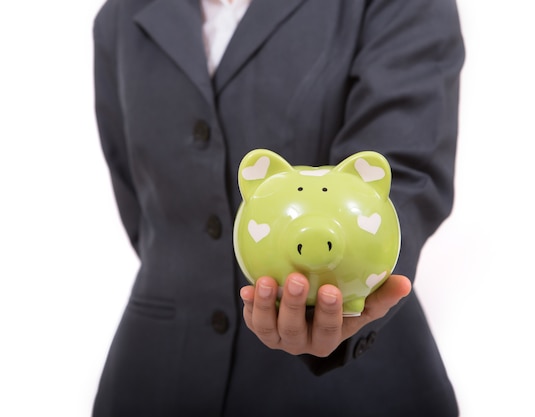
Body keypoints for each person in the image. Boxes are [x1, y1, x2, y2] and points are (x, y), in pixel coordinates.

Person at [91, 0, 465, 415]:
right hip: (155, 379)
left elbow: (397, 171)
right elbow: (137, 197)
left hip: (354, 390)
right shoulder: (120, 16)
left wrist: (347, 287)